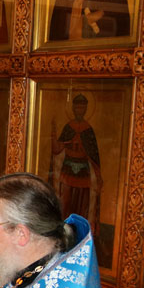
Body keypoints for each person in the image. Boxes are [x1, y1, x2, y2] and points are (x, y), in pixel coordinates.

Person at [51, 93, 102, 239]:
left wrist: (98, 176)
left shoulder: (88, 130)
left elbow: (94, 155)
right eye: (77, 107)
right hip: (67, 173)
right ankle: (64, 235)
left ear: (86, 109)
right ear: (73, 109)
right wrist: (53, 132)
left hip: (83, 174)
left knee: (82, 206)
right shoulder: (69, 127)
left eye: (82, 108)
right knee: (66, 204)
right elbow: (57, 149)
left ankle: (80, 236)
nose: (80, 110)